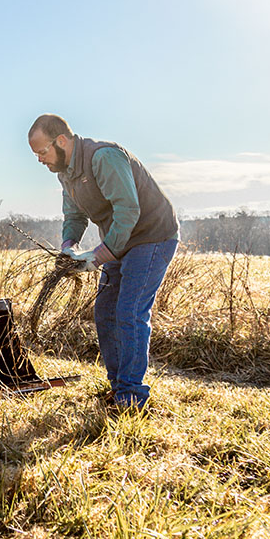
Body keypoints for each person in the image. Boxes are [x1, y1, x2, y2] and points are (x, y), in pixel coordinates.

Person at [27, 114, 180, 409]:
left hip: (151, 236)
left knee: (130, 311)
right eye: (36, 155)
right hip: (120, 239)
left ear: (61, 141)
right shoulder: (65, 172)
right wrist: (69, 248)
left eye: (42, 152)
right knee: (106, 312)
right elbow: (74, 216)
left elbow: (128, 212)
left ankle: (131, 396)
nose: (40, 160)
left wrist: (97, 257)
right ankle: (117, 387)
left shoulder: (103, 158)